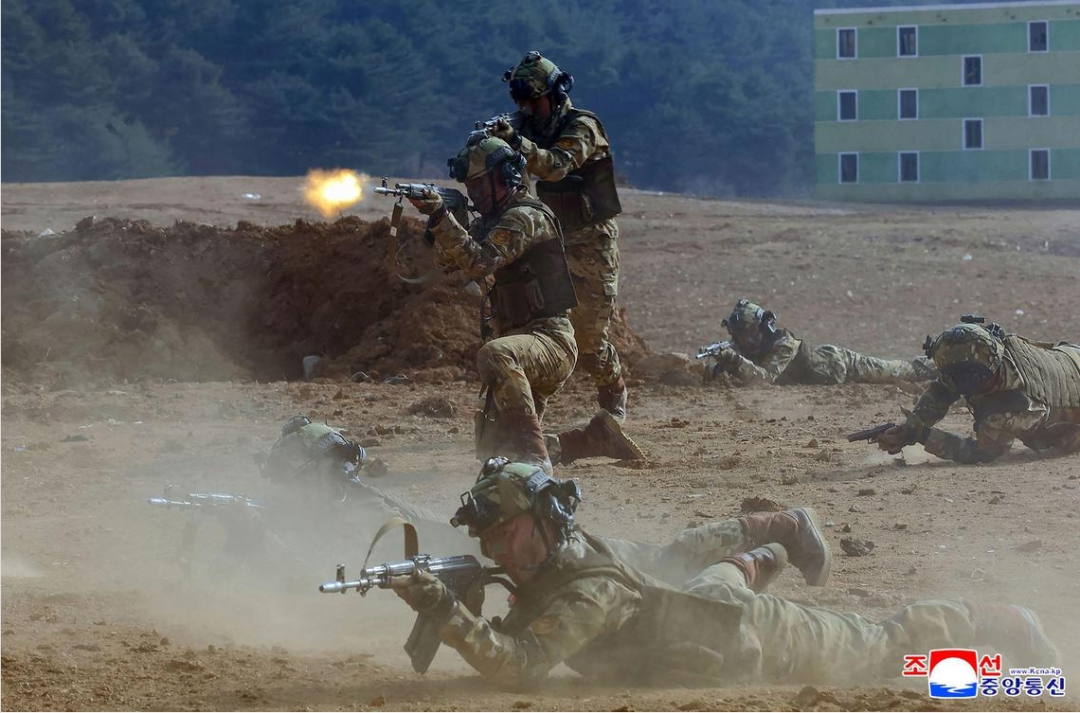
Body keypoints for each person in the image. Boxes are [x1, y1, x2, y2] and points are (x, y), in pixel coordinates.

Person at [389, 460, 1059, 689]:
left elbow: (521, 666)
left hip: (754, 635)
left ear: (543, 521)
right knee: (706, 576)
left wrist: (448, 611)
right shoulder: (564, 551)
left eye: (507, 533)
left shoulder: (590, 587)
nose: (499, 549)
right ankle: (757, 559)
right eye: (491, 539)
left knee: (891, 654)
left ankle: (1006, 649)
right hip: (700, 611)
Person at [408, 136, 636, 470]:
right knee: (496, 454)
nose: (475, 193)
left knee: (495, 355)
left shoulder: (525, 216)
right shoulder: (490, 221)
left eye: (481, 184)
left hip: (549, 340)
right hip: (522, 344)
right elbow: (447, 262)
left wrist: (443, 217)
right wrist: (445, 222)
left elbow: (480, 262)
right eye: (470, 187)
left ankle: (537, 459)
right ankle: (590, 440)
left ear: (506, 176)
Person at [490, 51, 629, 422]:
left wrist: (515, 142)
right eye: (521, 103)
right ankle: (530, 411)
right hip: (552, 240)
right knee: (542, 328)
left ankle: (613, 389)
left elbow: (555, 167)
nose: (527, 110)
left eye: (534, 102)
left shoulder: (583, 127)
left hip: (592, 243)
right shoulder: (526, 124)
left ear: (554, 94)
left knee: (589, 340)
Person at [876, 320, 1080, 463]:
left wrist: (922, 434)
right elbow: (942, 391)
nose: (951, 380)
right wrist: (910, 429)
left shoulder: (1009, 409)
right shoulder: (994, 352)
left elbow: (979, 453)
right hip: (1071, 357)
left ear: (973, 380)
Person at [705, 298, 937, 386]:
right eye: (740, 335)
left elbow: (764, 378)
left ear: (762, 328)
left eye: (749, 333)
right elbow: (716, 366)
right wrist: (718, 365)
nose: (745, 340)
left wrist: (734, 361)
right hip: (824, 367)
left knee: (901, 372)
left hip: (841, 365)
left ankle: (936, 364)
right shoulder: (740, 345)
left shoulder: (784, 343)